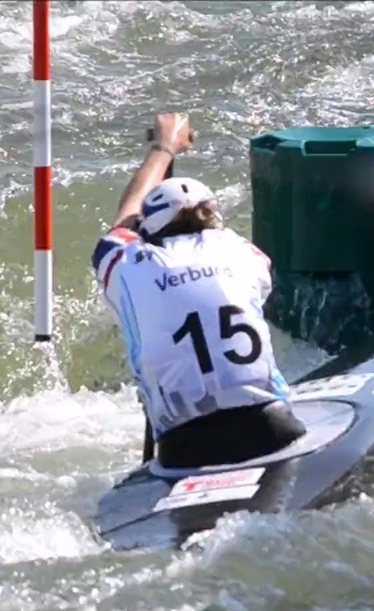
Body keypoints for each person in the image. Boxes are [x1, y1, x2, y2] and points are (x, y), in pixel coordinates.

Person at [90, 112, 306, 469]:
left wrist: (164, 148)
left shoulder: (130, 264)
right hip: (272, 426)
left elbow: (122, 225)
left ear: (147, 231)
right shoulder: (243, 253)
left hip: (184, 447)